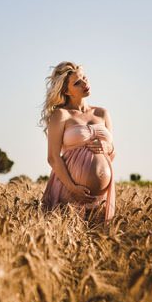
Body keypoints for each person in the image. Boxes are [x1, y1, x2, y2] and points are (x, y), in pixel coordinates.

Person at [40, 62, 116, 223]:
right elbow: (53, 157)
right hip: (69, 191)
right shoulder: (61, 115)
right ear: (66, 91)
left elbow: (112, 153)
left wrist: (107, 147)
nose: (85, 83)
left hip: (99, 198)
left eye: (84, 78)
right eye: (77, 83)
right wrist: (73, 188)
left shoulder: (102, 113)